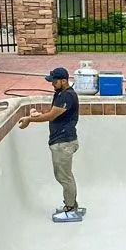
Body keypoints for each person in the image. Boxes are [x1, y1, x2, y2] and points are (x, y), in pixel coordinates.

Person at [20, 66, 86, 223]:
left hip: (64, 142)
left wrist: (31, 119)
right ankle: (71, 205)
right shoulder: (61, 93)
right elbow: (53, 112)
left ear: (63, 81)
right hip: (61, 140)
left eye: (54, 81)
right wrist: (37, 115)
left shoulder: (67, 96)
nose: (52, 84)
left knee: (64, 177)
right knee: (64, 176)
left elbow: (51, 115)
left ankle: (70, 209)